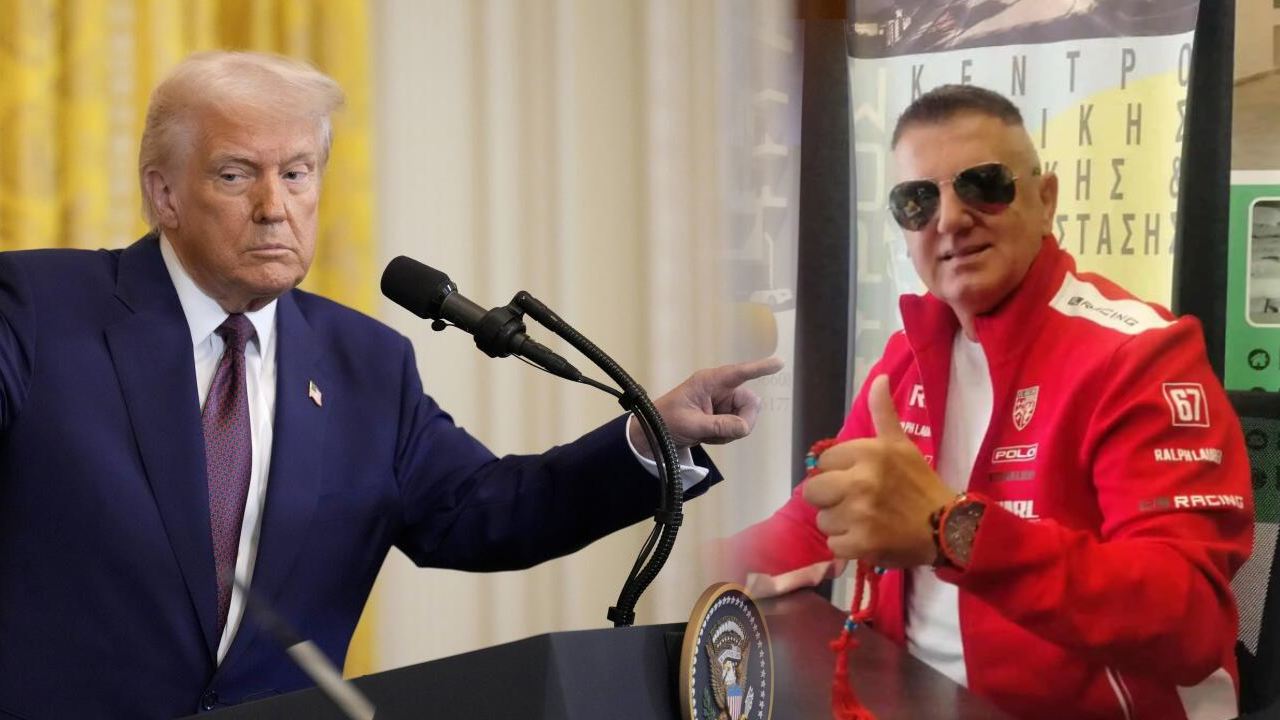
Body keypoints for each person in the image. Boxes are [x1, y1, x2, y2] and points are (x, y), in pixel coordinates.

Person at [0, 51, 780, 719]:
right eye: (235, 175)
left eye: (297, 174)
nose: (274, 208)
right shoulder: (37, 311)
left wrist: (648, 437)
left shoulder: (365, 363)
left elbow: (488, 514)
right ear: (165, 194)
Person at [727, 84, 1253, 719]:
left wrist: (952, 531)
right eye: (917, 200)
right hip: (904, 695)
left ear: (1045, 200)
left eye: (983, 184)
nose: (949, 219)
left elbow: (1187, 621)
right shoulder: (908, 355)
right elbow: (815, 520)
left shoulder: (1139, 355)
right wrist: (689, 571)